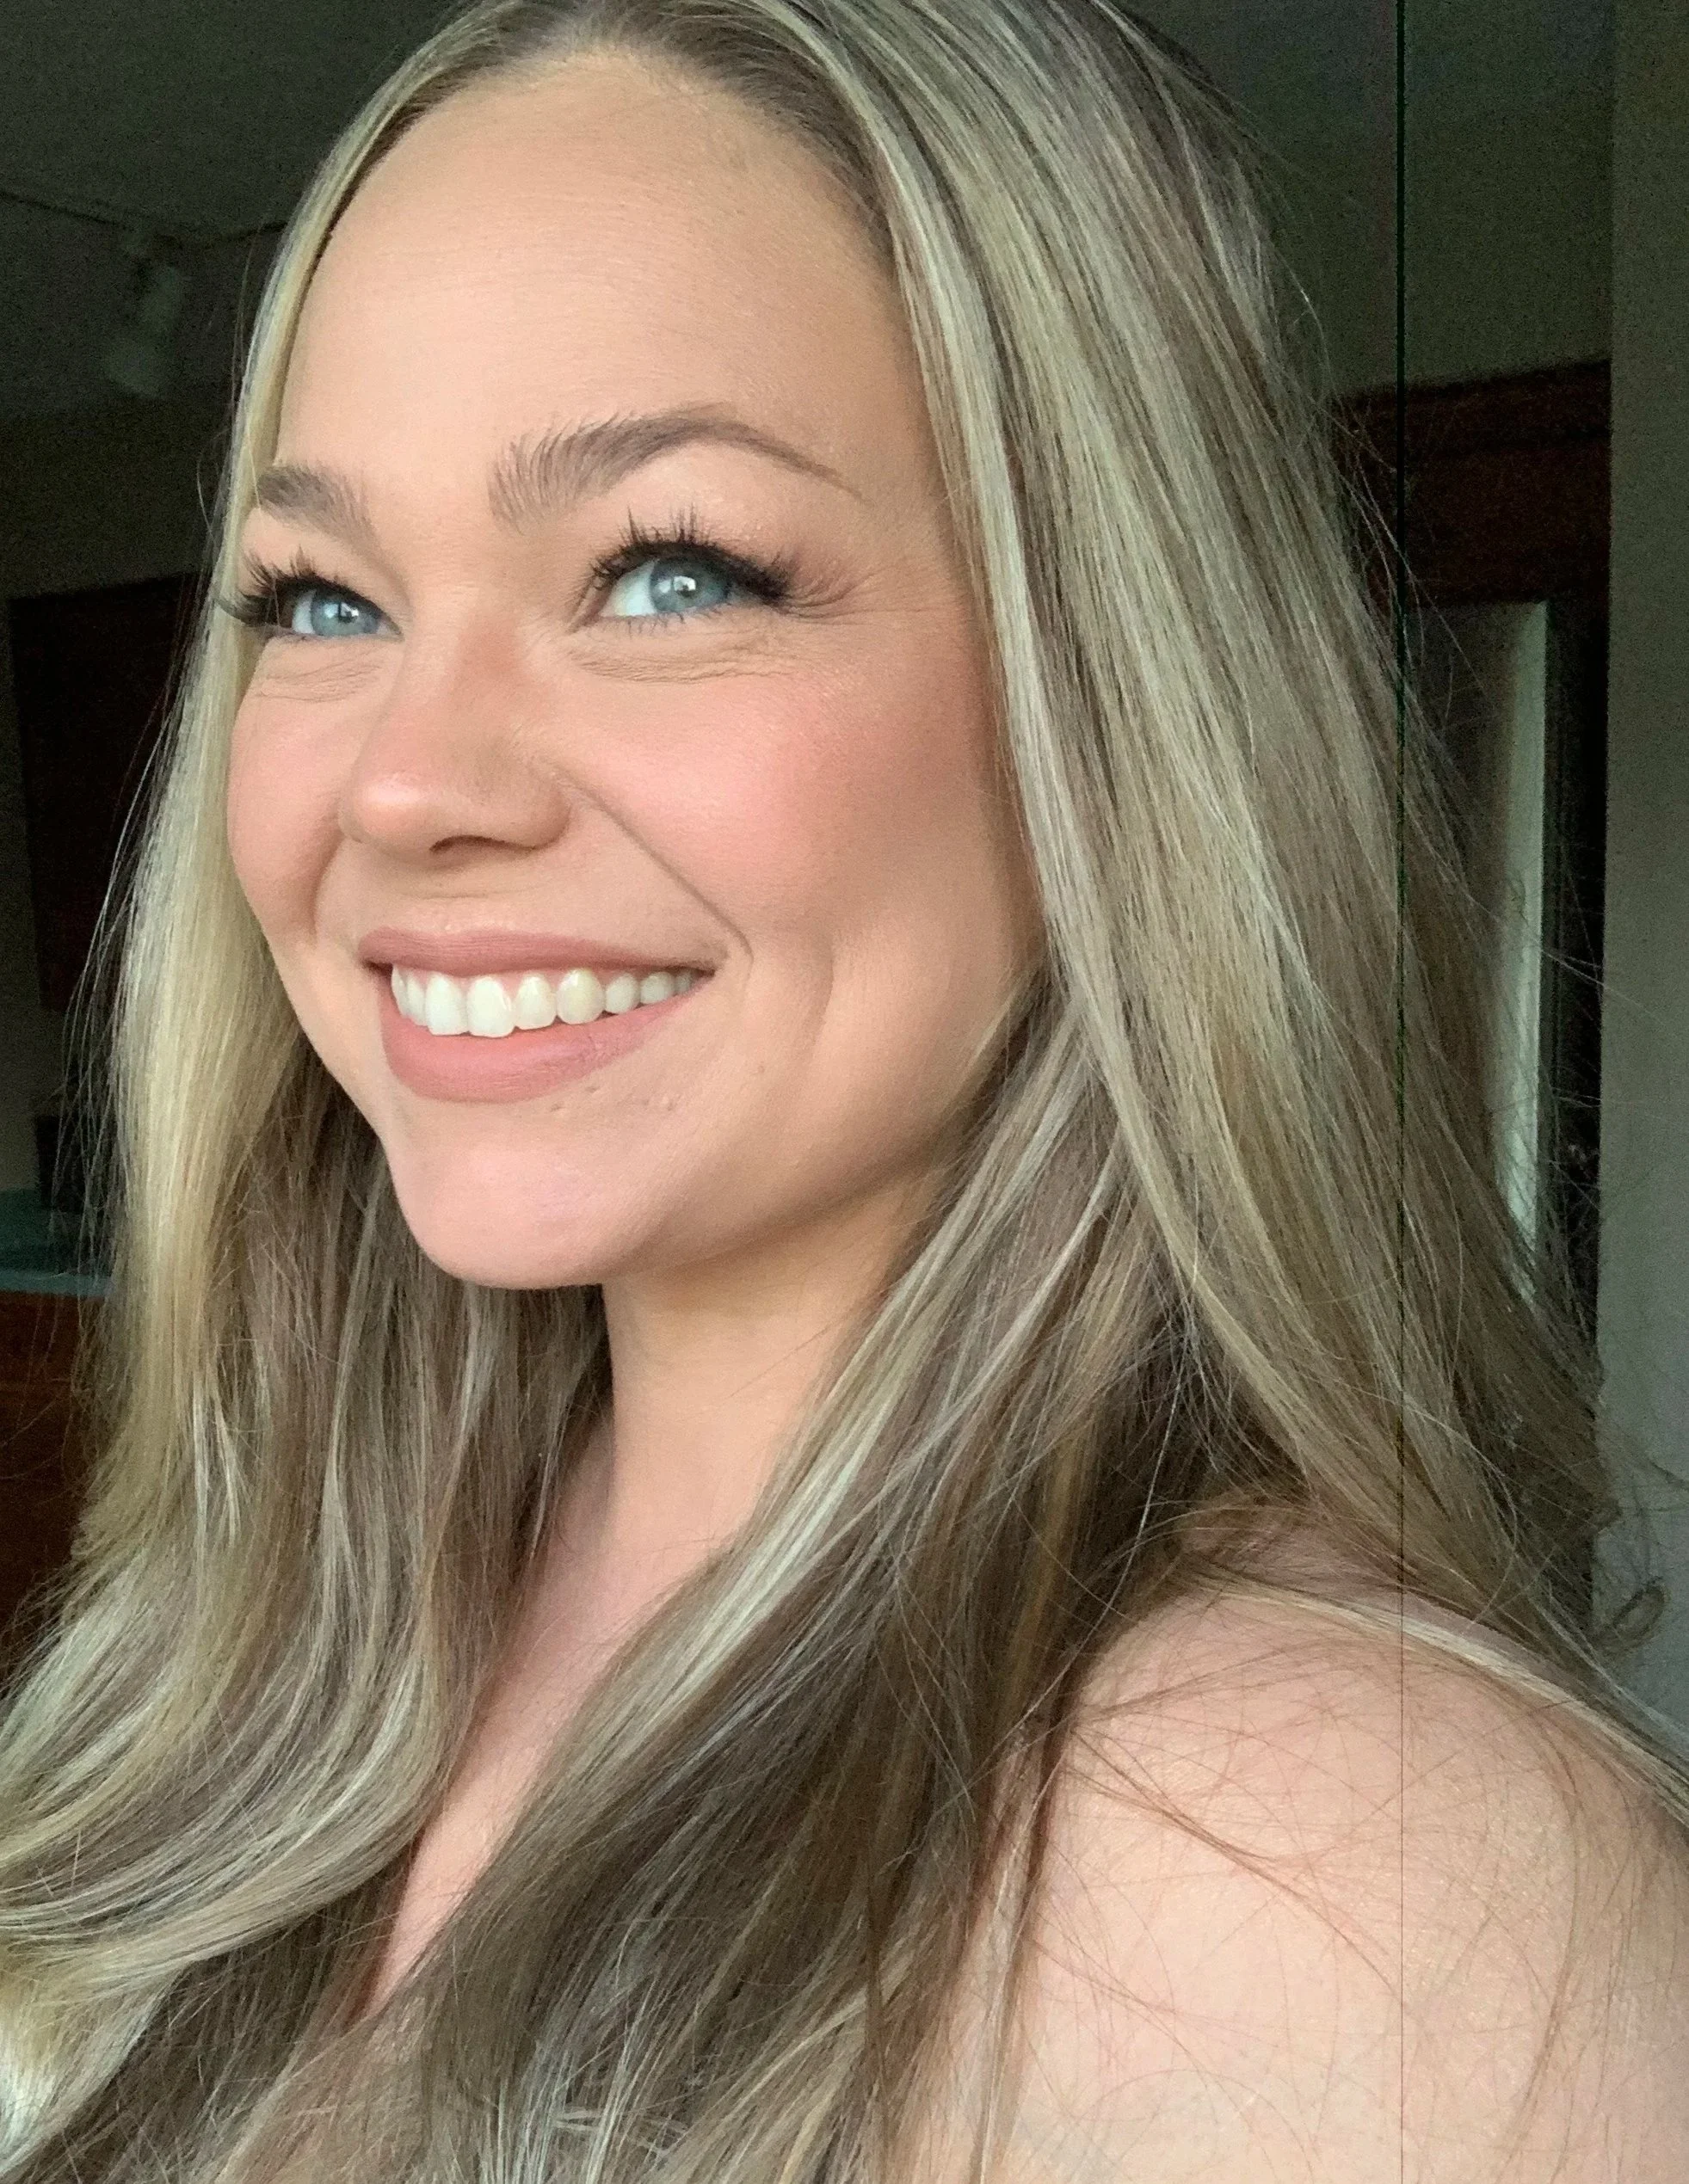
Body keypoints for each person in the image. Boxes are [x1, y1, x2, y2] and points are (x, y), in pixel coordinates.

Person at [2, 2, 1686, 2177]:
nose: (405, 784)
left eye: (668, 569)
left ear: (1114, 702)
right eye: (319, 599)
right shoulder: (280, 1613)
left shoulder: (1349, 1891)